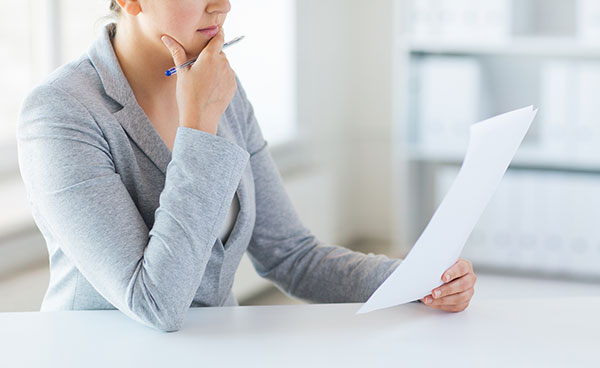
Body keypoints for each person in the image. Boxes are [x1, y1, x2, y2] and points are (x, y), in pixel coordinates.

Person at [16, 0, 476, 332]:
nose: (222, 6)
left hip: (215, 351)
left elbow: (291, 255)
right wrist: (198, 129)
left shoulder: (221, 91)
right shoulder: (60, 112)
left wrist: (415, 279)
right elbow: (154, 303)